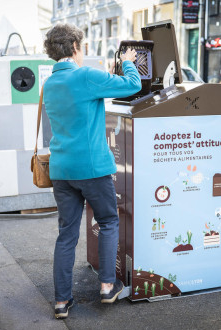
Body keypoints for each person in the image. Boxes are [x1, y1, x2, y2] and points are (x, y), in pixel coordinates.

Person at [43, 23, 141, 319]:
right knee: (109, 221)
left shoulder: (50, 83)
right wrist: (128, 62)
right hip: (92, 169)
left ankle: (61, 303)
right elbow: (132, 85)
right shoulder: (84, 75)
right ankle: (107, 287)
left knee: (66, 235)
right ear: (75, 46)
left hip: (61, 170)